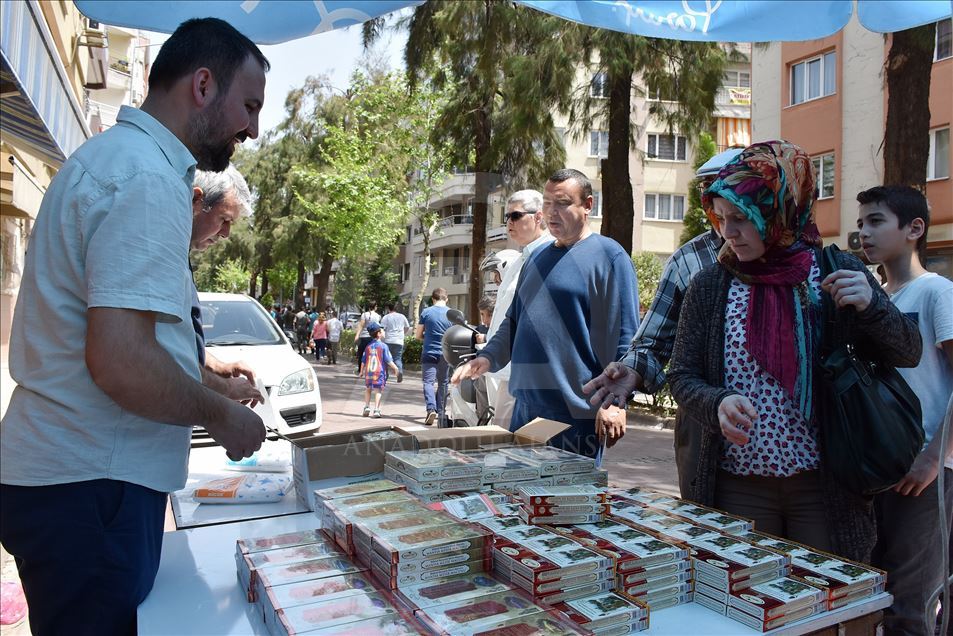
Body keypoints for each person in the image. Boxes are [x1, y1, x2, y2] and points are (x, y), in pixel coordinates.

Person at [0, 18, 269, 634]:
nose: (252, 129)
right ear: (203, 85)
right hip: (90, 488)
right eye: (249, 106)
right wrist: (221, 415)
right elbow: (121, 361)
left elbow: (139, 340)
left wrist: (211, 384)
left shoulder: (126, 162)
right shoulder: (146, 178)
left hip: (83, 488)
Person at [666, 141, 921, 563]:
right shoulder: (711, 285)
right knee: (744, 596)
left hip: (824, 487)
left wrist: (873, 308)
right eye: (721, 219)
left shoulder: (837, 271)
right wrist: (716, 402)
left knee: (822, 594)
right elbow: (681, 375)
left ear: (780, 211)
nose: (728, 233)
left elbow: (908, 351)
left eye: (742, 218)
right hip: (738, 484)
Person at [582, 147, 744, 497]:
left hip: (790, 445)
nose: (718, 205)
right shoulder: (689, 260)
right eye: (708, 191)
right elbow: (653, 342)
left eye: (729, 187)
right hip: (705, 433)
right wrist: (631, 371)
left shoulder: (803, 259)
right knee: (712, 525)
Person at [453, 169, 640, 460]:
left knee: (568, 491)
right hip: (525, 408)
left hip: (575, 416)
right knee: (520, 488)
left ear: (588, 205)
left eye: (563, 203)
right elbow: (514, 321)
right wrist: (487, 357)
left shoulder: (609, 257)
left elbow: (627, 337)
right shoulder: (536, 257)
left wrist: (616, 402)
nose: (552, 212)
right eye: (548, 204)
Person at [856, 186, 953, 636]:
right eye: (861, 223)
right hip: (877, 471)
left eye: (876, 221)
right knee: (873, 595)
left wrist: (934, 457)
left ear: (915, 228)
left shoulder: (937, 292)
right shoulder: (874, 298)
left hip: (925, 475)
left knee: (911, 605)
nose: (864, 233)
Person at [188, 166, 263, 406]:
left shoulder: (179, 257)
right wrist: (226, 388)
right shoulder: (163, 256)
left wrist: (219, 367)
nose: (226, 233)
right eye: (224, 219)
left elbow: (182, 342)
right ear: (196, 201)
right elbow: (165, 354)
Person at [483, 190, 552, 429]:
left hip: (523, 374)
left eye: (515, 215)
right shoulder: (521, 259)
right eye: (507, 217)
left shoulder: (548, 256)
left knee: (508, 441)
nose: (509, 222)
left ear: (538, 217)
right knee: (502, 438)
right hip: (505, 369)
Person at [416, 288, 452, 425]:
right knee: (443, 382)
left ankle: (431, 409)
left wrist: (427, 338)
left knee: (428, 382)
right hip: (445, 354)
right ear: (446, 299)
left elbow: (418, 335)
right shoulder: (452, 314)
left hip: (429, 352)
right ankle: (441, 413)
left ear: (433, 299)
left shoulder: (426, 312)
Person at [361, 322, 399, 419]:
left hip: (369, 372)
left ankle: (366, 407)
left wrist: (361, 371)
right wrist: (395, 368)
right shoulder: (383, 346)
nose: (383, 332)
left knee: (368, 389)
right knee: (378, 391)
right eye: (382, 331)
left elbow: (363, 360)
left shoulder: (368, 346)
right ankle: (376, 410)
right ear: (378, 334)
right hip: (379, 372)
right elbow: (388, 360)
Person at [380, 303, 410, 382]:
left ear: (388, 309)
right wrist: (402, 333)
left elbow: (381, 329)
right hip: (399, 341)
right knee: (397, 358)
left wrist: (382, 337)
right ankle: (399, 372)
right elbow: (407, 327)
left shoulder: (386, 317)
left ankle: (385, 375)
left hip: (388, 340)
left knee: (386, 358)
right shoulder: (402, 316)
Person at [353, 302, 381, 375]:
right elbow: (378, 328)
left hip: (363, 337)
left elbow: (361, 325)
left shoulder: (364, 314)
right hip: (373, 337)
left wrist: (357, 335)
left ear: (368, 307)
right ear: (375, 307)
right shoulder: (378, 316)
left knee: (361, 354)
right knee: (372, 354)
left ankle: (360, 370)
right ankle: (371, 370)